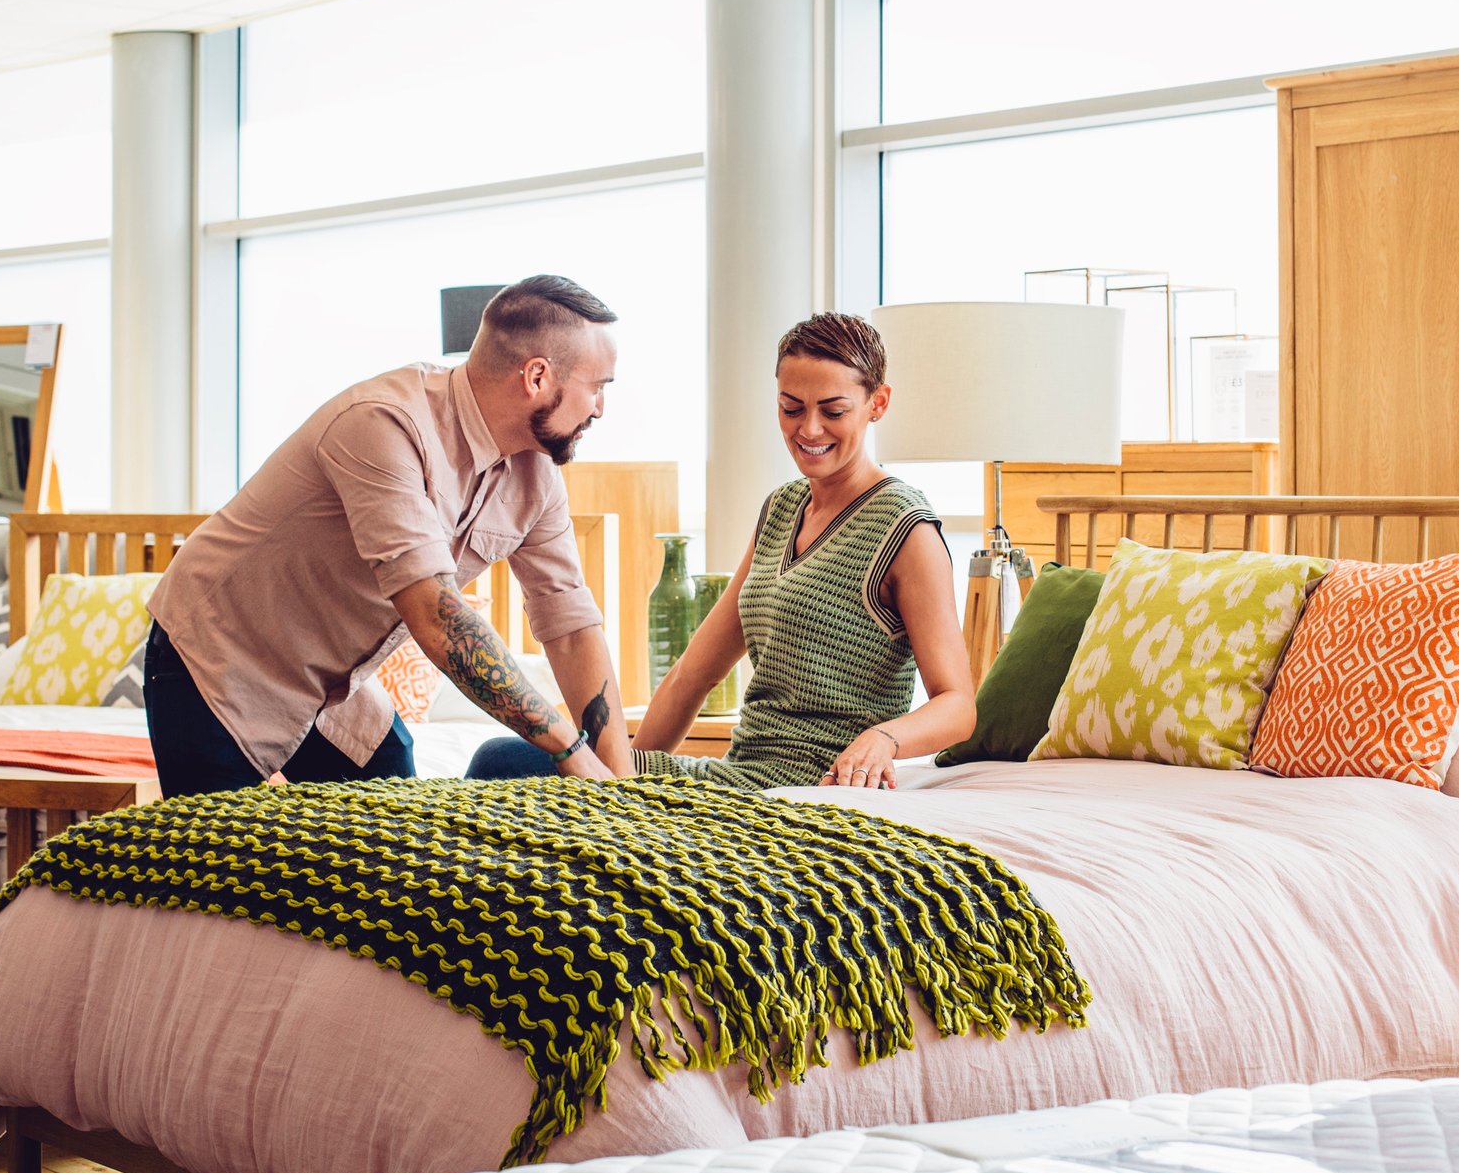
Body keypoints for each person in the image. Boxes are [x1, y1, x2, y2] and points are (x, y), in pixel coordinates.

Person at [144, 274, 632, 798]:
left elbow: (572, 627)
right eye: (598, 386)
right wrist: (569, 749)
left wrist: (624, 793)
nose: (600, 408)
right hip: (218, 659)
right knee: (220, 867)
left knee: (393, 840)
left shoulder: (537, 477)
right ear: (537, 376)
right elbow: (439, 619)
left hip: (333, 683)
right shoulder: (384, 424)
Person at [465, 313, 974, 791]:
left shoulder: (904, 528)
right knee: (506, 757)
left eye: (833, 411)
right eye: (791, 407)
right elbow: (694, 673)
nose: (809, 429)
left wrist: (884, 739)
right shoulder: (783, 507)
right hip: (738, 774)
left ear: (877, 403)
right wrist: (620, 788)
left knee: (503, 764)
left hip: (810, 789)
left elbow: (958, 705)